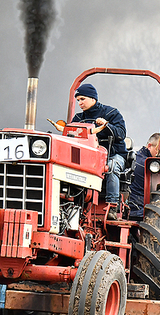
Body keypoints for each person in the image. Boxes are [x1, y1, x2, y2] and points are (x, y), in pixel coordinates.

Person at [51, 83, 128, 220]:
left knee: (111, 167)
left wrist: (107, 125)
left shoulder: (111, 113)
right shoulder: (78, 119)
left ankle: (112, 205)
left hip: (113, 154)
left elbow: (121, 133)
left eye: (82, 99)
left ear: (93, 99)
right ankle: (67, 202)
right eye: (78, 100)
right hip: (88, 158)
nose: (80, 103)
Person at [128, 133, 159, 221]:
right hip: (138, 208)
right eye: (158, 150)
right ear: (149, 146)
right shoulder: (145, 164)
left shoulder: (137, 158)